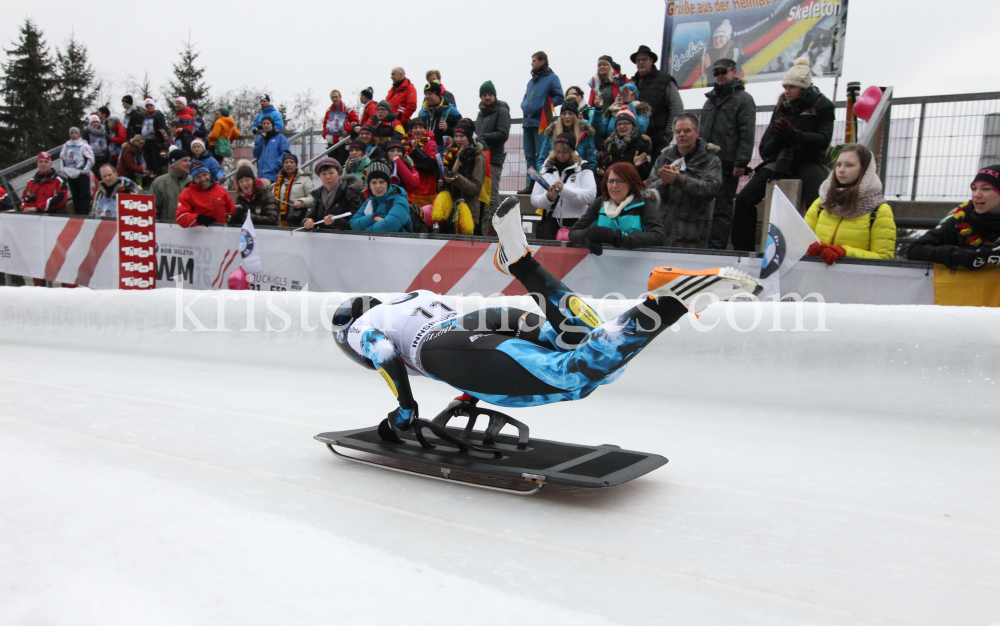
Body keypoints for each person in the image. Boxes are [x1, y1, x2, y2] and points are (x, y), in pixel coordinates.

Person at [331, 197, 761, 438]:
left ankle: (669, 302)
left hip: (445, 347)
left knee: (574, 375)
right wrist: (472, 390)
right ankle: (518, 261)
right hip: (479, 323)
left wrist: (406, 410)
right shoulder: (410, 297)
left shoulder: (363, 326)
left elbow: (385, 352)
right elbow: (471, 351)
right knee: (586, 345)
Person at [731, 57, 834, 252]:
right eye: (785, 86)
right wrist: (780, 137)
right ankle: (743, 252)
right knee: (744, 199)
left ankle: (820, 249)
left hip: (810, 160)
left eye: (791, 87)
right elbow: (765, 150)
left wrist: (795, 135)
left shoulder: (823, 104)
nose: (786, 91)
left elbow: (823, 140)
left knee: (820, 203)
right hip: (780, 161)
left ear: (803, 87)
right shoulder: (781, 106)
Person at [803, 144, 896, 264]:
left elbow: (884, 257)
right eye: (838, 165)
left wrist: (845, 252)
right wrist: (809, 249)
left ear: (864, 169)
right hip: (816, 280)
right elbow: (799, 244)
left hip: (854, 281)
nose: (841, 170)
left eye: (849, 165)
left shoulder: (879, 210)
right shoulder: (821, 203)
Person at [700, 58, 757, 250]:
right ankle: (700, 245)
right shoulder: (710, 100)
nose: (719, 75)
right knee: (700, 205)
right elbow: (702, 131)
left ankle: (717, 249)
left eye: (723, 71)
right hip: (706, 162)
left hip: (728, 163)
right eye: (715, 72)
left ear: (734, 72)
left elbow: (747, 133)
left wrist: (741, 162)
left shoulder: (743, 99)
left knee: (723, 208)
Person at [646, 114, 723, 249]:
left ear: (697, 132)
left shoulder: (711, 160)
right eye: (678, 131)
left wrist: (678, 179)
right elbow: (648, 189)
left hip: (691, 235)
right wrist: (663, 183)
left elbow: (711, 189)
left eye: (686, 131)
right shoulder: (663, 158)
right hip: (661, 233)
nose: (681, 135)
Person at [908, 165, 1000, 270]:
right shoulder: (961, 218)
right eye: (974, 189)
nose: (976, 195)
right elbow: (915, 250)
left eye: (986, 189)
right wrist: (955, 254)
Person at [570, 162, 664, 253]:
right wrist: (588, 238)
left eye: (620, 181)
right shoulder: (599, 203)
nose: (614, 186)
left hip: (638, 263)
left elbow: (658, 236)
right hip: (603, 263)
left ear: (631, 183)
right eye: (610, 181)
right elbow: (574, 232)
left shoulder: (644, 203)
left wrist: (618, 238)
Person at [530, 133, 597, 240]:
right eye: (558, 152)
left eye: (565, 152)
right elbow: (534, 199)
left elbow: (590, 196)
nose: (560, 155)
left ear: (571, 151)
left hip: (577, 223)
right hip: (551, 223)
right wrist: (548, 197)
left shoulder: (584, 169)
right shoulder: (546, 169)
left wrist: (564, 189)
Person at [519, 51, 564, 193]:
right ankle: (530, 184)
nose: (532, 63)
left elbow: (559, 97)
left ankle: (542, 184)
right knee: (529, 155)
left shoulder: (552, 78)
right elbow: (526, 97)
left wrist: (546, 108)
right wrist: (524, 105)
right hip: (527, 122)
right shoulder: (531, 82)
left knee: (541, 155)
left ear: (542, 61)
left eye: (534, 61)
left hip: (542, 123)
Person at [629, 44, 684, 156]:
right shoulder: (631, 84)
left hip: (659, 141)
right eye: (638, 60)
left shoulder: (665, 80)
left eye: (644, 59)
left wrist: (667, 134)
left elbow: (677, 107)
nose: (640, 62)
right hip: (637, 141)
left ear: (652, 60)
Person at [433, 119, 486, 234]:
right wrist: (441, 185)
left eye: (461, 136)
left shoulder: (478, 157)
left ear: (469, 137)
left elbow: (476, 189)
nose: (458, 139)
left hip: (468, 215)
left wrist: (457, 179)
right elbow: (446, 184)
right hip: (449, 213)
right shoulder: (450, 154)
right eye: (456, 136)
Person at [474, 81, 511, 224]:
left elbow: (503, 134)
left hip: (494, 160)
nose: (487, 97)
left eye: (490, 94)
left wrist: (483, 137)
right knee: (481, 197)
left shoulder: (501, 111)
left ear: (494, 96)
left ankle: (498, 231)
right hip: (480, 160)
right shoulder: (480, 114)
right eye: (484, 95)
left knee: (492, 198)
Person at [301, 157, 365, 230]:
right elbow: (310, 217)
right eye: (323, 174)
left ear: (339, 174)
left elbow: (356, 224)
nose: (328, 177)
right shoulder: (319, 195)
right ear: (319, 176)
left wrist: (336, 222)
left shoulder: (350, 193)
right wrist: (307, 222)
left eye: (331, 173)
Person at [536, 99, 597, 173]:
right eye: (564, 113)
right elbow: (541, 160)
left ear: (576, 116)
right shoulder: (551, 134)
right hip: (554, 177)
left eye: (570, 113)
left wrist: (584, 177)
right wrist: (546, 176)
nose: (567, 117)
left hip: (578, 177)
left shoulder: (586, 134)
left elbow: (592, 162)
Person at [350, 161, 412, 233]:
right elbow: (353, 224)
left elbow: (390, 226)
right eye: (373, 182)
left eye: (381, 182)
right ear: (369, 185)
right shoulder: (369, 202)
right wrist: (373, 218)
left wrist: (364, 231)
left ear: (388, 183)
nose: (378, 186)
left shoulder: (400, 200)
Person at [176, 163, 236, 228]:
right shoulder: (186, 194)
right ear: (193, 179)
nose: (203, 179)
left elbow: (232, 210)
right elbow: (181, 218)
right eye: (198, 177)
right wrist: (198, 218)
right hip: (200, 234)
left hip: (222, 233)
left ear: (209, 175)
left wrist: (231, 217)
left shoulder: (221, 190)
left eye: (205, 175)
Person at [599, 108, 652, 180]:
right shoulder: (610, 144)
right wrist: (602, 171)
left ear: (633, 125)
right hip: (614, 185)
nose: (622, 126)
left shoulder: (642, 144)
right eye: (619, 124)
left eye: (626, 123)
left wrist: (638, 166)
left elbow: (647, 174)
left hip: (633, 185)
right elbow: (605, 167)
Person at [592, 82, 650, 146]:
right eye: (624, 93)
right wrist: (598, 109)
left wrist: (628, 104)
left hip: (633, 148)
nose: (627, 95)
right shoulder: (612, 111)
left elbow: (641, 128)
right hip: (612, 149)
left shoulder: (641, 110)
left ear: (635, 96)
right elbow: (599, 132)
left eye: (631, 94)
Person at [418, 82, 461, 153]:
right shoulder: (422, 112)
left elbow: (461, 132)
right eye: (426, 94)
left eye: (430, 94)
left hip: (444, 152)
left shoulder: (451, 111)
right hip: (426, 151)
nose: (427, 96)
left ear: (438, 94)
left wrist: (447, 129)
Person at [61, 126, 95, 216]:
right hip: (70, 173)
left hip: (80, 174)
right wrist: (63, 168)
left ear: (79, 134)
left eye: (75, 133)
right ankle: (77, 213)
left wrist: (84, 170)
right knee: (75, 195)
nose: (73, 135)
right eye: (72, 133)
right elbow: (62, 157)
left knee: (84, 195)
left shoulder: (84, 145)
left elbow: (91, 158)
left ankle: (85, 213)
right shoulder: (66, 146)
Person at [405, 118, 439, 207]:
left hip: (427, 189)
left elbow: (430, 165)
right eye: (415, 127)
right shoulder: (405, 143)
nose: (418, 130)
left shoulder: (431, 143)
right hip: (411, 187)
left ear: (425, 129)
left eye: (421, 127)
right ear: (411, 130)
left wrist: (415, 150)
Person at [274, 153, 314, 226]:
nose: (289, 164)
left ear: (296, 165)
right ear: (283, 165)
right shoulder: (278, 181)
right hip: (280, 221)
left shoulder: (305, 179)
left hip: (297, 219)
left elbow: (314, 197)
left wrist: (301, 202)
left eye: (292, 162)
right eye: (286, 162)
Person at [151, 149, 191, 221]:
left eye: (189, 161)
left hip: (190, 228)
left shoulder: (192, 181)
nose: (188, 163)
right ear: (174, 163)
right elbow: (153, 208)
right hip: (167, 228)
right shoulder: (159, 182)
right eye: (185, 161)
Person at [253, 116, 291, 182]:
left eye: (268, 123)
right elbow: (256, 153)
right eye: (264, 124)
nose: (266, 125)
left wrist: (277, 166)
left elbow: (285, 153)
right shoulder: (261, 139)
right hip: (261, 176)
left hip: (274, 175)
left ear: (272, 125)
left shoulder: (280, 137)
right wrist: (260, 138)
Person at [322, 90, 358, 154]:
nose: (334, 99)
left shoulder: (348, 109)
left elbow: (355, 121)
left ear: (340, 97)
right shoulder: (329, 111)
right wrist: (325, 135)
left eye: (336, 97)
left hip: (344, 141)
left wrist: (347, 130)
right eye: (332, 97)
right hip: (331, 141)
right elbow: (325, 123)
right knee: (332, 162)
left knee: (342, 162)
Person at [141, 98, 168, 176]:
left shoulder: (158, 115)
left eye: (150, 105)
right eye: (147, 105)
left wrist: (161, 143)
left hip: (155, 142)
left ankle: (158, 176)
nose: (149, 107)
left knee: (156, 162)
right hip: (146, 142)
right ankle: (150, 177)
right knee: (148, 163)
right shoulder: (144, 116)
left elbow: (162, 129)